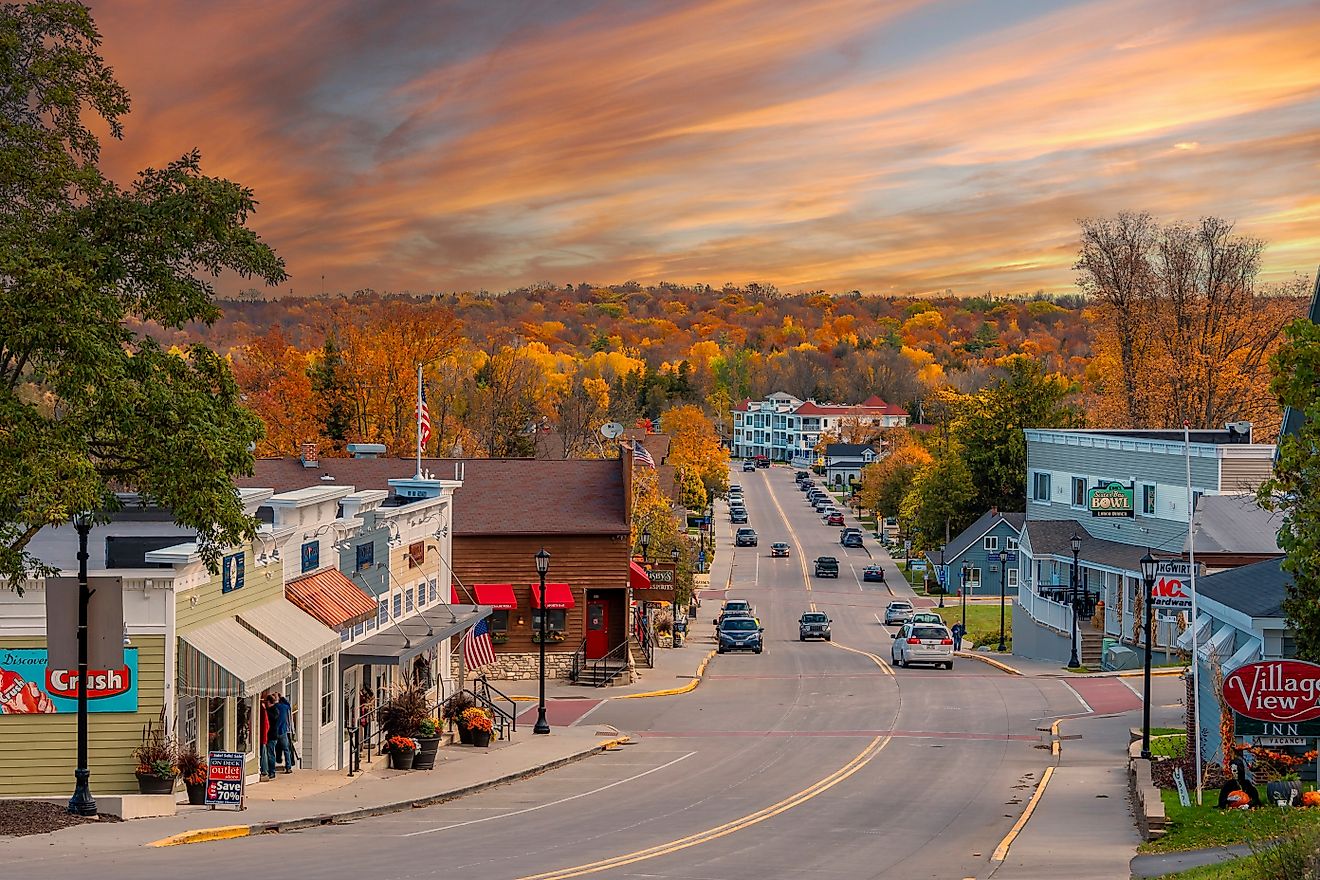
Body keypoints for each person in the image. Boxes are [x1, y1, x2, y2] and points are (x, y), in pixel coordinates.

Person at [275, 693, 294, 773]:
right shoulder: (285, 707)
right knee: (286, 749)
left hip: (275, 731)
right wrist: (282, 697)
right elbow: (288, 705)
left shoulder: (276, 707)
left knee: (273, 749)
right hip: (283, 731)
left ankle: (273, 766)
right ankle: (288, 767)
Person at [261, 694, 278, 780]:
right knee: (268, 754)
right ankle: (268, 770)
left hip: (272, 736)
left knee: (270, 754)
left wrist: (265, 710)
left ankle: (272, 771)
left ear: (268, 702)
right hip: (270, 736)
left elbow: (273, 718)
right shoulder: (273, 709)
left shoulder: (274, 710)